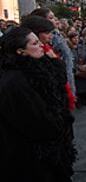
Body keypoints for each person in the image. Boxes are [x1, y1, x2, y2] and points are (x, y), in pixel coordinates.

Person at [0, 27, 76, 182]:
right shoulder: (14, 83)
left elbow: (59, 81)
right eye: (35, 43)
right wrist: (60, 122)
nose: (41, 45)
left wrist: (53, 62)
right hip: (33, 159)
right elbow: (42, 123)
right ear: (20, 51)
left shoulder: (36, 65)